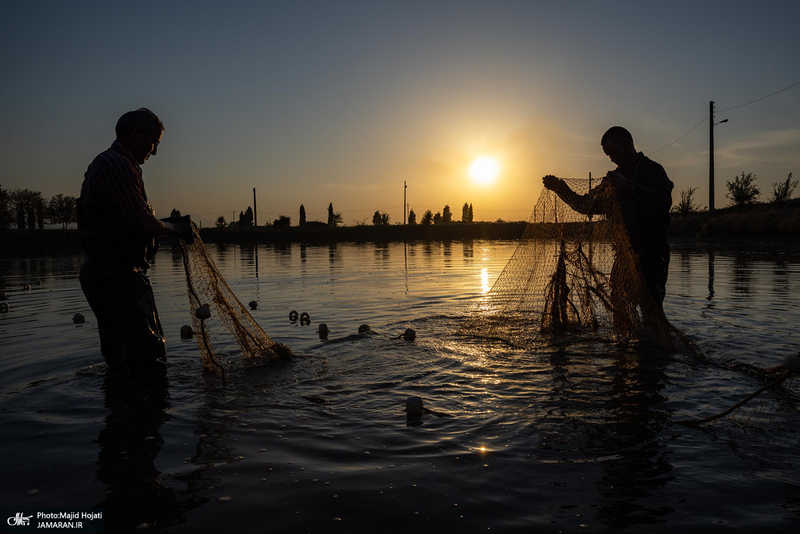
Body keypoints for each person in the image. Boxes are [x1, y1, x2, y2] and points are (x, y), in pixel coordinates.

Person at [78, 108, 192, 381]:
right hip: (116, 278)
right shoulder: (116, 165)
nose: (154, 152)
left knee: (126, 362)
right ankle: (144, 417)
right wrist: (177, 229)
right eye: (153, 142)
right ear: (135, 134)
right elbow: (140, 223)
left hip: (116, 277)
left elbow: (126, 219)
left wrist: (167, 224)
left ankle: (126, 416)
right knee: (146, 361)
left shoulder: (117, 164)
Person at [542, 126, 673, 308]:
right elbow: (585, 206)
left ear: (628, 143)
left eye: (614, 152)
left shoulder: (652, 170)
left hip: (652, 253)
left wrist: (629, 186)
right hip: (624, 255)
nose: (612, 159)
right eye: (608, 155)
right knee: (619, 305)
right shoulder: (612, 179)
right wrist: (560, 189)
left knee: (651, 307)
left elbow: (663, 201)